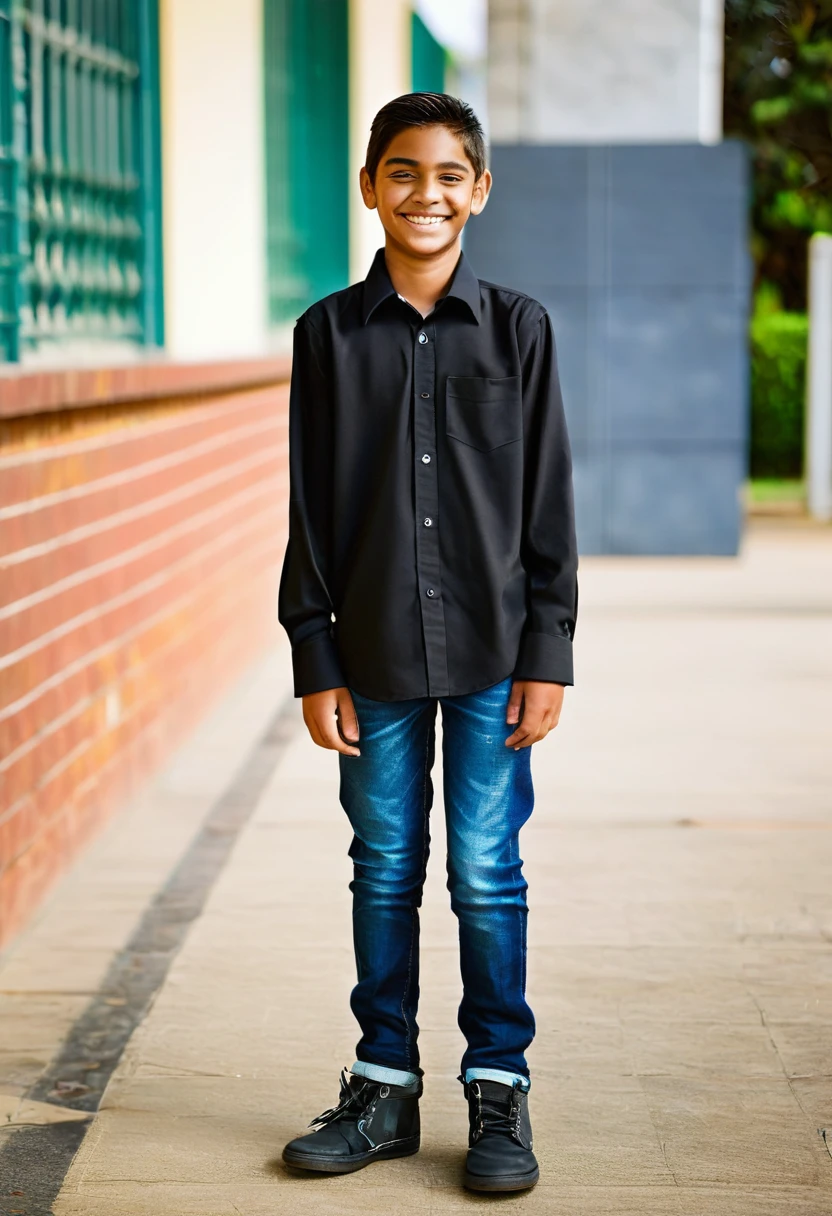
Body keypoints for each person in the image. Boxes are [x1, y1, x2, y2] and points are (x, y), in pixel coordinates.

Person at [277, 92, 577, 1194]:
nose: (425, 193)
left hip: (497, 650)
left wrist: (549, 648)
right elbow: (309, 507)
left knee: (487, 872)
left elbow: (548, 499)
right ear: (370, 187)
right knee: (384, 867)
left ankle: (497, 1086)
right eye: (402, 172)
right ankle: (384, 1085)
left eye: (449, 174)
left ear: (479, 190)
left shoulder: (520, 329)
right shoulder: (325, 335)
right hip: (374, 655)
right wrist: (315, 655)